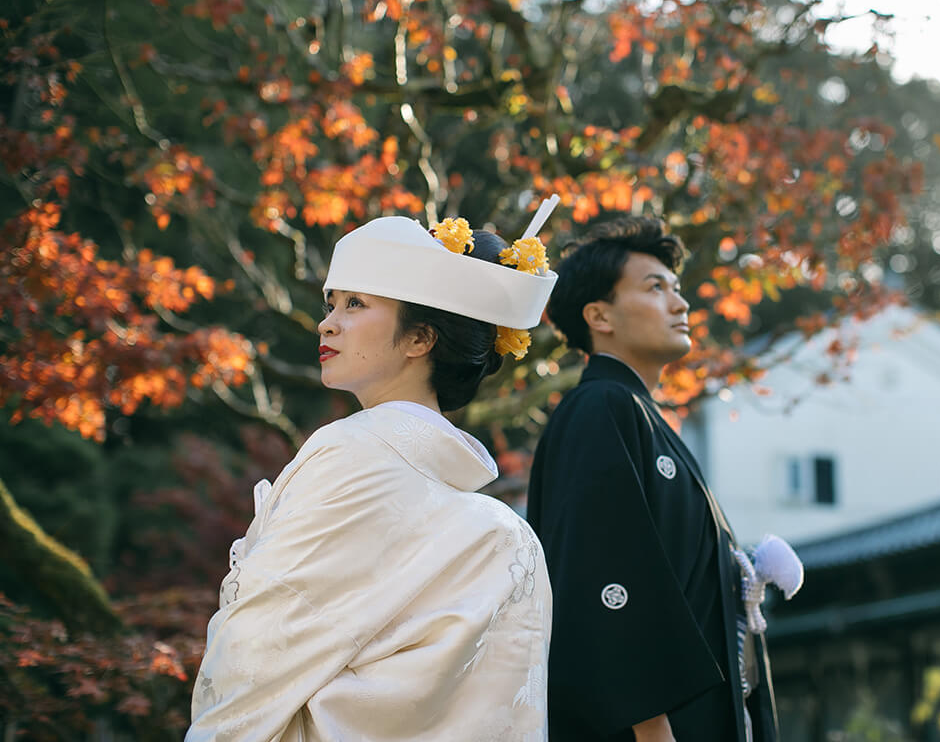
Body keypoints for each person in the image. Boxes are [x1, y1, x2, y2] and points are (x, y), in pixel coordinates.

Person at [188, 207, 559, 741]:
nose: (328, 321)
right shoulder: (501, 531)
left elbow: (260, 642)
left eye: (356, 304)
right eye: (331, 304)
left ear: (419, 339)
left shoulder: (353, 453)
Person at [527, 216, 780, 742]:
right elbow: (601, 571)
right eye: (655, 287)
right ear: (599, 315)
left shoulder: (638, 415)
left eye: (677, 289)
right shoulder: (599, 407)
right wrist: (651, 728)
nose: (680, 303)